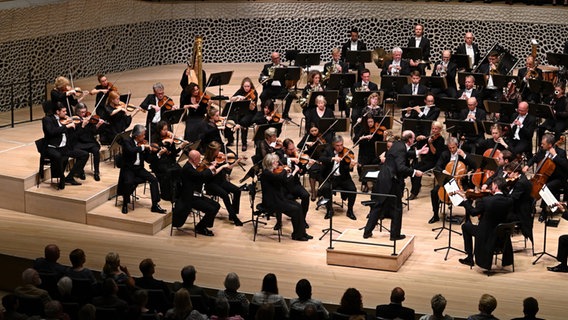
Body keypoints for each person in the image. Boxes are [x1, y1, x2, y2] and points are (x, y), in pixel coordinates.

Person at [364, 131, 426, 239]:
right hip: (392, 181)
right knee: (397, 208)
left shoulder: (398, 144)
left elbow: (404, 153)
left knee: (378, 206)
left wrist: (418, 152)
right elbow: (400, 168)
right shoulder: (401, 148)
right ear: (410, 139)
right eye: (413, 138)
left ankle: (367, 232)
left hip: (384, 178)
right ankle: (395, 235)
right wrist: (415, 172)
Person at [458, 177, 513, 269]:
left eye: (492, 185)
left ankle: (470, 258)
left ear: (495, 186)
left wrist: (465, 199)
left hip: (486, 235)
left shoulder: (487, 201)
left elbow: (473, 212)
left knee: (465, 226)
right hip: (501, 236)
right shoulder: (509, 201)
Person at [260, 153, 311, 241]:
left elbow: (286, 181)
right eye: (275, 162)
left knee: (299, 207)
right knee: (295, 210)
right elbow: (279, 178)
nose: (277, 164)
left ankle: (302, 233)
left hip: (279, 198)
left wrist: (294, 172)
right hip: (272, 202)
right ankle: (297, 235)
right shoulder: (266, 173)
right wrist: (284, 170)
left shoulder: (273, 172)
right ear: (269, 163)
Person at [117, 124, 166, 214]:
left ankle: (155, 205)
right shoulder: (127, 141)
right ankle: (125, 203)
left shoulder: (144, 144)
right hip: (129, 169)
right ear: (136, 135)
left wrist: (158, 154)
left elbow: (148, 160)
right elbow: (131, 150)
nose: (144, 137)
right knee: (128, 182)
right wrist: (143, 147)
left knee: (154, 180)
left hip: (139, 169)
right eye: (143, 135)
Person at [172, 150, 220, 236]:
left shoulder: (192, 166)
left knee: (216, 205)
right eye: (199, 158)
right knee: (211, 209)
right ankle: (201, 228)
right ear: (194, 159)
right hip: (189, 198)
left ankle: (202, 225)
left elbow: (200, 177)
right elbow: (200, 177)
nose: (201, 160)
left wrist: (209, 169)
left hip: (196, 195)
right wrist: (209, 169)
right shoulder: (188, 169)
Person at [429, 137, 476, 224]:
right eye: (449, 148)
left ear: (457, 145)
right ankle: (435, 215)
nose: (452, 150)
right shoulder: (445, 154)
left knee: (468, 194)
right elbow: (437, 166)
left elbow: (474, 164)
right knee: (434, 192)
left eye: (453, 148)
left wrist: (464, 155)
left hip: (460, 181)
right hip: (447, 181)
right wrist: (443, 171)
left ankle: (468, 217)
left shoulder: (462, 154)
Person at [42, 102, 88, 190]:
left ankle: (70, 177)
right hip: (52, 147)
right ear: (57, 112)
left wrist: (81, 126)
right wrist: (66, 127)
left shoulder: (65, 120)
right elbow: (51, 132)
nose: (66, 113)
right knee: (59, 157)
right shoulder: (47, 119)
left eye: (66, 111)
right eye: (64, 111)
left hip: (64, 147)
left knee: (84, 154)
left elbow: (74, 137)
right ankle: (61, 178)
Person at [523, 133, 568, 219]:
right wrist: (527, 165)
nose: (541, 145)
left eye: (543, 144)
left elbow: (565, 165)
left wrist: (555, 156)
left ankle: (544, 211)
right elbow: (534, 158)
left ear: (550, 145)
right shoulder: (542, 150)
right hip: (544, 177)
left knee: (545, 188)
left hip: (558, 179)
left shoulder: (560, 152)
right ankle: (530, 207)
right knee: (529, 185)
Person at [202, 141, 243, 226]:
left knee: (237, 190)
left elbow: (228, 168)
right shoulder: (206, 161)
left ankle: (233, 213)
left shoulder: (220, 157)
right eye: (217, 150)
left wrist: (236, 162)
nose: (219, 151)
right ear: (212, 151)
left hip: (221, 181)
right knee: (225, 195)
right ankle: (234, 217)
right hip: (211, 184)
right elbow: (213, 173)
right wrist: (222, 166)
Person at [319, 135, 358, 220]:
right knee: (325, 188)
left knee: (353, 189)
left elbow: (347, 170)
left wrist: (351, 166)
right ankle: (329, 210)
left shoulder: (347, 152)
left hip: (343, 178)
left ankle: (350, 211)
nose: (340, 147)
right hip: (331, 177)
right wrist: (332, 158)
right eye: (337, 145)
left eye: (341, 145)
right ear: (333, 145)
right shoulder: (328, 150)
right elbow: (321, 158)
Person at [408, 121, 445, 200]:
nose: (434, 130)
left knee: (418, 171)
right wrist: (418, 138)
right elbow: (420, 145)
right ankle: (417, 186)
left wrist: (430, 143)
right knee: (412, 169)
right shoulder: (430, 137)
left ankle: (414, 192)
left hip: (434, 162)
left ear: (440, 130)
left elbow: (435, 153)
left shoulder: (441, 140)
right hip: (426, 159)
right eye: (433, 128)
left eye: (436, 129)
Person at [280, 139, 313, 227]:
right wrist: (291, 159)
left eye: (293, 148)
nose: (293, 151)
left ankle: (302, 219)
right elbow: (280, 160)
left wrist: (308, 166)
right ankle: (278, 222)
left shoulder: (297, 155)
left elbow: (301, 172)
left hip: (295, 184)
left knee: (306, 195)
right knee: (279, 197)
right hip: (283, 185)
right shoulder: (280, 153)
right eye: (290, 150)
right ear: (285, 149)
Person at [259, 52, 294, 121]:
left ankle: (285, 114)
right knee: (262, 96)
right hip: (270, 88)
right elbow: (261, 77)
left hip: (280, 89)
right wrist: (264, 79)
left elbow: (288, 78)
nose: (277, 60)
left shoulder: (284, 67)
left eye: (278, 58)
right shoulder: (267, 67)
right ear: (272, 59)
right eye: (275, 58)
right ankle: (264, 113)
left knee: (290, 96)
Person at [74, 103, 104, 181]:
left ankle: (96, 172)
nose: (84, 114)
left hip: (90, 141)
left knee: (96, 151)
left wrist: (98, 125)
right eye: (82, 112)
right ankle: (80, 171)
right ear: (77, 112)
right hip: (79, 142)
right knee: (81, 153)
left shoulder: (89, 119)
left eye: (85, 111)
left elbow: (93, 132)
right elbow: (75, 135)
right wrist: (83, 125)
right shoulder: (75, 121)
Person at [353, 116, 383, 192]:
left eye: (371, 122)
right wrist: (363, 138)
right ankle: (364, 182)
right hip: (363, 153)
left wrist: (385, 136)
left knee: (376, 166)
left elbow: (382, 142)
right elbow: (355, 141)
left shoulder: (377, 131)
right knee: (359, 167)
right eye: (368, 122)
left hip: (374, 153)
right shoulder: (363, 130)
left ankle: (374, 180)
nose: (370, 124)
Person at [228, 77, 259, 151]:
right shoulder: (240, 91)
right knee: (228, 119)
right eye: (245, 86)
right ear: (242, 86)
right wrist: (238, 97)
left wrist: (251, 103)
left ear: (251, 86)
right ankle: (230, 139)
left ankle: (244, 143)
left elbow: (252, 109)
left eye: (248, 86)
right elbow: (231, 99)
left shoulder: (254, 93)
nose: (246, 88)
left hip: (250, 113)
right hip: (241, 112)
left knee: (243, 122)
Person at [323, 48, 348, 116]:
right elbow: (324, 78)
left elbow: (346, 77)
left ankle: (347, 115)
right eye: (335, 56)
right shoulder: (327, 65)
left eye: (338, 55)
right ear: (332, 55)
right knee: (327, 93)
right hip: (331, 86)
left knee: (346, 95)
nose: (337, 57)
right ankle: (330, 114)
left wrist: (341, 71)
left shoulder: (344, 65)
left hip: (341, 86)